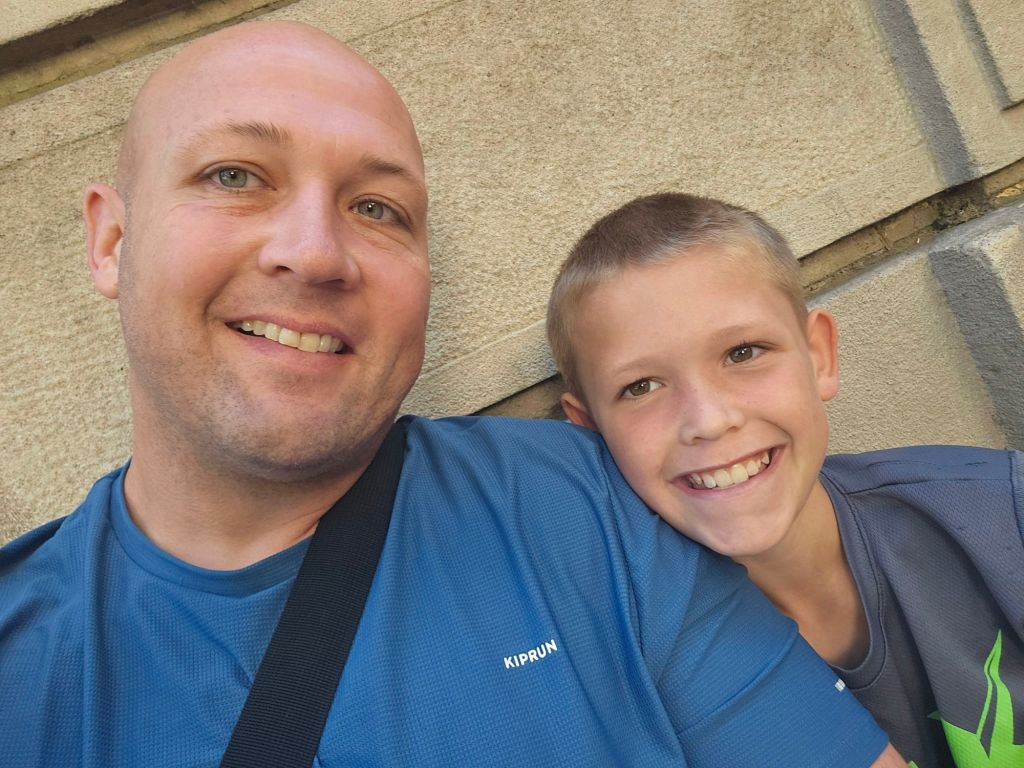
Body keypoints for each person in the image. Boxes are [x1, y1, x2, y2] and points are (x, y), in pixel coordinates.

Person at [0, 22, 904, 767]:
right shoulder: (23, 662)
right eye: (234, 176)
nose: (314, 252)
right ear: (111, 241)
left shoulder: (581, 507)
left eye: (377, 208)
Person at [546, 191, 1024, 767]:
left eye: (743, 352)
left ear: (818, 355)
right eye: (641, 387)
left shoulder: (1001, 516)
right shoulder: (636, 678)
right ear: (590, 432)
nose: (710, 420)